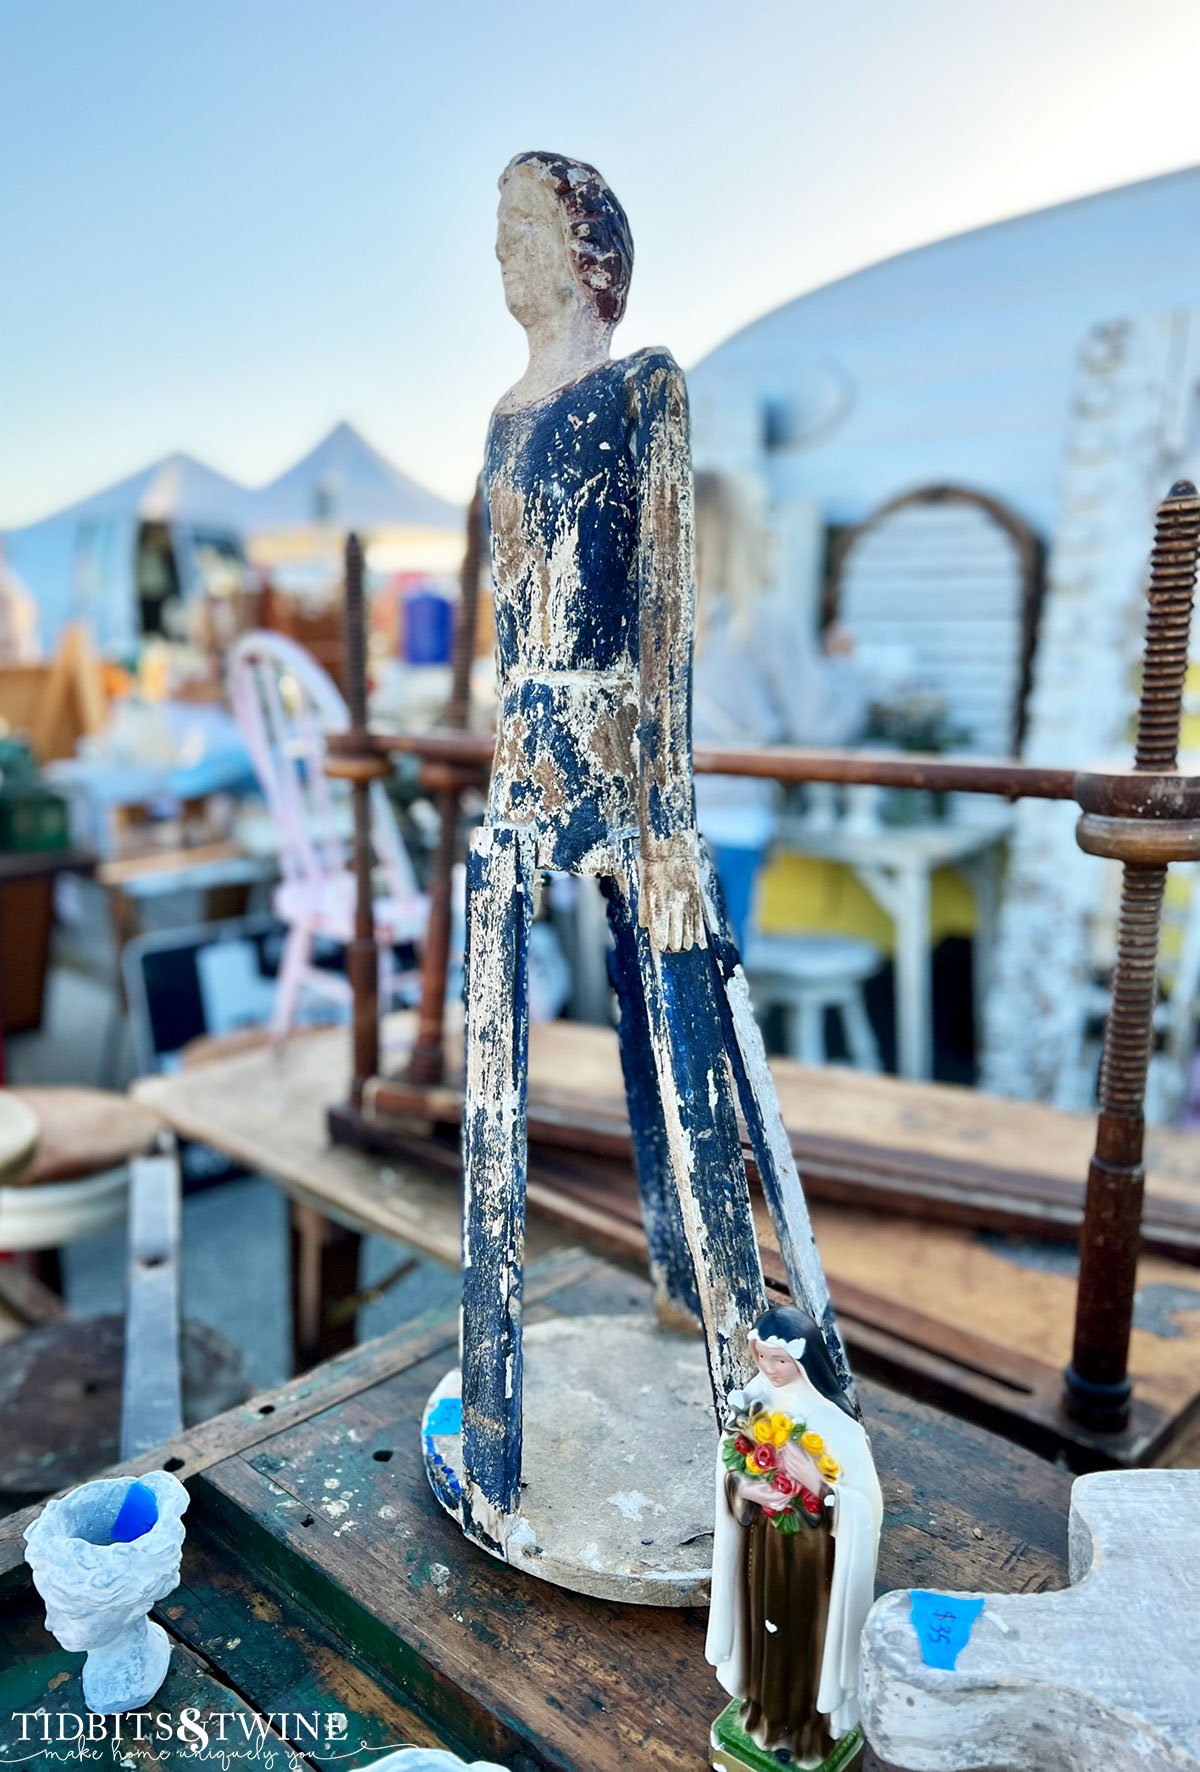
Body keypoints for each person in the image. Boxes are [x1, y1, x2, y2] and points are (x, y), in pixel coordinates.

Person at [451, 152, 849, 1552]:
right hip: (528, 752)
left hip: (630, 753)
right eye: (496, 234)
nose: (508, 258)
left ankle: (738, 1367)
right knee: (487, 1066)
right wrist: (505, 790)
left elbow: (666, 615)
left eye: (527, 231)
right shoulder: (502, 419)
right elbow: (509, 625)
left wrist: (666, 817)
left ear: (586, 251)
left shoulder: (646, 391)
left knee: (678, 1044)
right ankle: (495, 1421)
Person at [692, 472, 866, 950]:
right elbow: (822, 725)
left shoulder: (652, 621)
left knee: (655, 987)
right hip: (733, 824)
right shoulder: (762, 617)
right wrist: (845, 670)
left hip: (657, 826)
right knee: (723, 984)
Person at [706, 1304, 883, 1764]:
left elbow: (866, 1507)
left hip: (814, 1560)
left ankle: (807, 1733)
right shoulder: (753, 1401)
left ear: (804, 1361)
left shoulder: (837, 1424)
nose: (770, 1369)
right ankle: (763, 1718)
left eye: (779, 1360)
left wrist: (818, 1487)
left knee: (807, 1641)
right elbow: (728, 1465)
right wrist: (746, 1488)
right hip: (764, 1548)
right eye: (762, 1357)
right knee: (764, 1632)